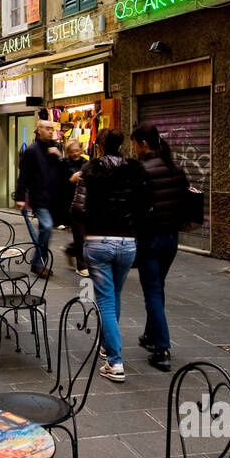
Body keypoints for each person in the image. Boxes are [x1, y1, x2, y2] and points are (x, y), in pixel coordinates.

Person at [72, 127, 150, 382]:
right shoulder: (135, 170)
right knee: (114, 295)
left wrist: (83, 240)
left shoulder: (91, 170)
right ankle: (106, 346)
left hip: (98, 241)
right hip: (127, 242)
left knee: (105, 299)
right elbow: (144, 205)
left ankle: (115, 362)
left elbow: (78, 208)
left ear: (100, 145)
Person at [131, 122, 190, 373]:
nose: (133, 150)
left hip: (150, 238)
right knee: (158, 286)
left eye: (134, 144)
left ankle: (162, 348)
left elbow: (135, 207)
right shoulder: (175, 168)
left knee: (153, 290)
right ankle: (150, 334)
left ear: (143, 143)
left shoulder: (142, 170)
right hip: (171, 239)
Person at [15, 120, 65, 278]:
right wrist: (20, 197)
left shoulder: (56, 148)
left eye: (52, 129)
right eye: (47, 129)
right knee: (47, 227)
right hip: (39, 197)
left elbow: (64, 171)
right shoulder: (31, 150)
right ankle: (37, 262)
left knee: (46, 231)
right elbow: (23, 176)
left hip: (53, 198)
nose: (50, 132)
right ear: (38, 130)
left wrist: (60, 156)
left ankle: (39, 262)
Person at [61, 138, 86, 271]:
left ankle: (70, 250)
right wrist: (71, 179)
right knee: (79, 234)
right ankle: (81, 265)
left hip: (84, 202)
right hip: (71, 202)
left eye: (77, 150)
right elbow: (61, 182)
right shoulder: (65, 164)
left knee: (83, 234)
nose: (76, 153)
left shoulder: (85, 162)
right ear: (68, 152)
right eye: (72, 151)